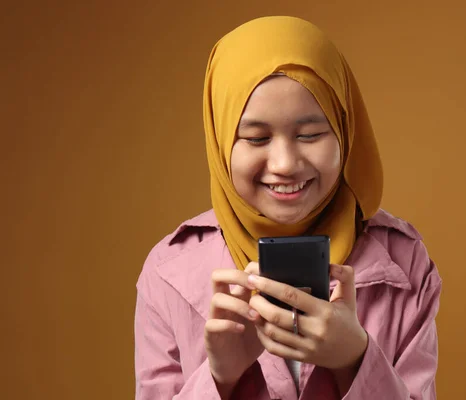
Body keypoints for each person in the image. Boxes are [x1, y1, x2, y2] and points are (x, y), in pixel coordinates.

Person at [134, 15, 442, 400]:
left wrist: (356, 360)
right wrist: (219, 377)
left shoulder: (405, 261)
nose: (284, 164)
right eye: (256, 137)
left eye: (310, 134)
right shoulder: (168, 274)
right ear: (220, 139)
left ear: (345, 131)